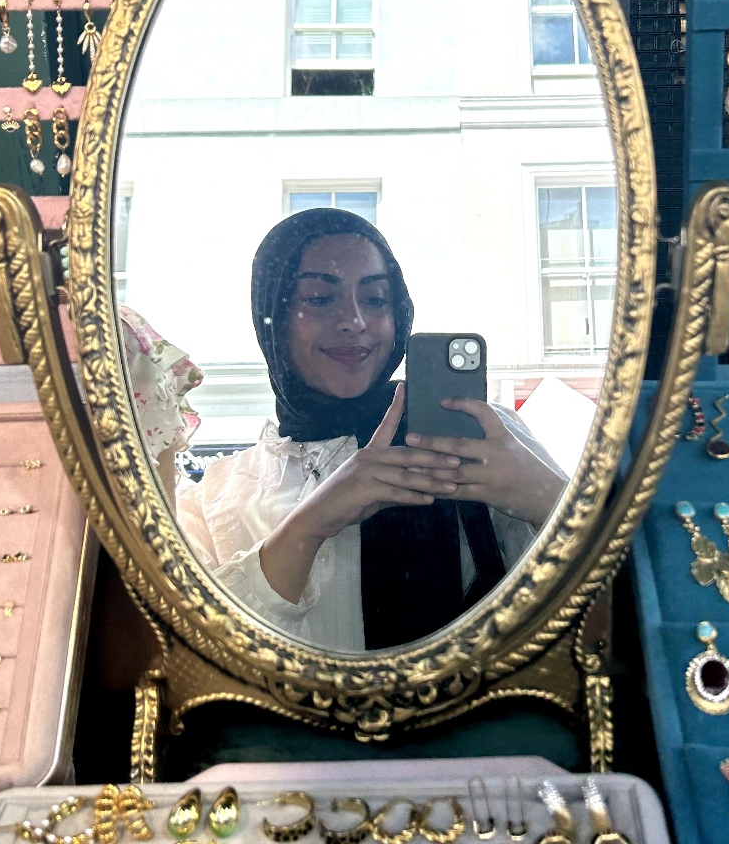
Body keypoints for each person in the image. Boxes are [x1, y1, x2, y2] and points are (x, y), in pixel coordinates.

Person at [176, 208, 567, 651]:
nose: (354, 321)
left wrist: (550, 497)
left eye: (376, 299)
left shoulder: (482, 436)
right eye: (320, 299)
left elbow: (587, 617)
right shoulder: (215, 499)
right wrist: (308, 526)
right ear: (274, 316)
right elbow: (204, 654)